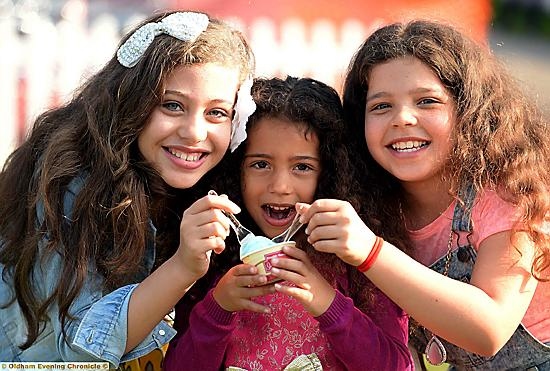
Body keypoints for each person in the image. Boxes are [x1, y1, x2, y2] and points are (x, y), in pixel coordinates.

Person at [0, 10, 256, 366]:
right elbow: (73, 354)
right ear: (132, 103)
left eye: (217, 113)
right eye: (172, 105)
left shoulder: (202, 189)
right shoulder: (72, 184)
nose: (195, 133)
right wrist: (182, 268)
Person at [296, 20, 550, 370]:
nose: (402, 118)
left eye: (427, 101)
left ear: (469, 112)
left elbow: (488, 331)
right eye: (381, 106)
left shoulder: (508, 194)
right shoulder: (371, 205)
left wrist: (369, 251)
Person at [164, 76, 413, 370]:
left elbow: (397, 365)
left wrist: (327, 303)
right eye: (260, 164)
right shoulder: (210, 258)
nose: (280, 186)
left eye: (302, 167)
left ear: (330, 173)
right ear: (234, 170)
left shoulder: (355, 259)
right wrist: (218, 308)